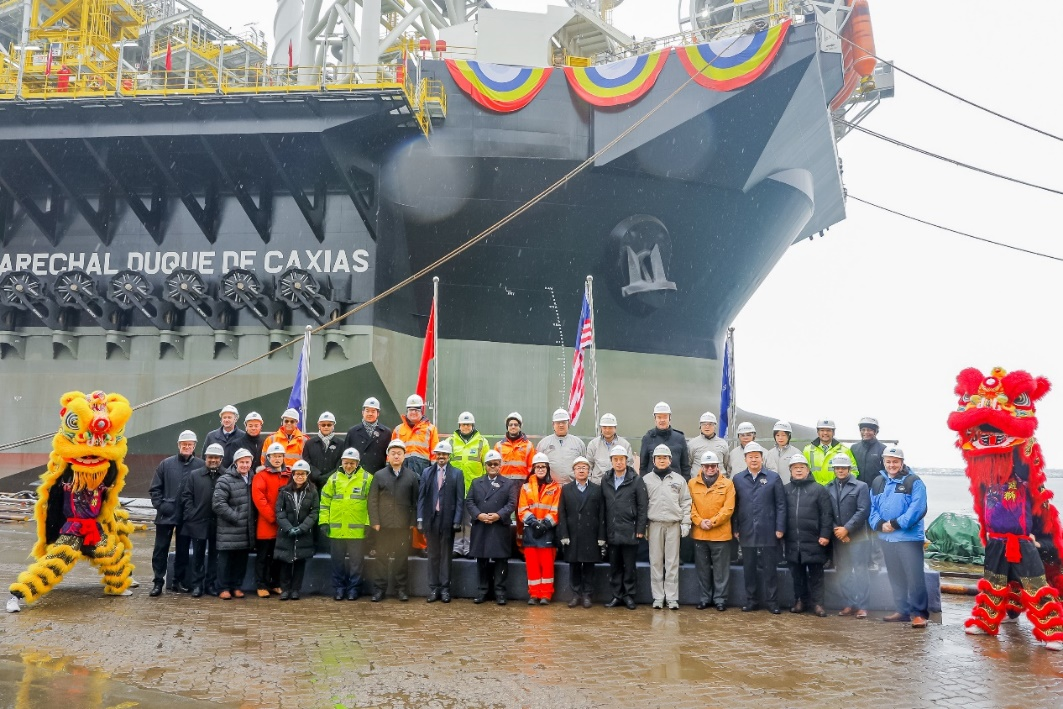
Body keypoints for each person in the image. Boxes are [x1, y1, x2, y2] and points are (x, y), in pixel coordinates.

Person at [870, 446, 930, 628]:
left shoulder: (914, 481)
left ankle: (920, 614)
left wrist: (895, 524)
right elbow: (872, 508)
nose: (891, 465)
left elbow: (918, 508)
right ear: (883, 462)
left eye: (895, 461)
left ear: (902, 462)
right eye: (888, 461)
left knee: (915, 577)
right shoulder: (878, 482)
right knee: (895, 576)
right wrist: (880, 524)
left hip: (909, 539)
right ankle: (902, 610)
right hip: (887, 538)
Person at [733, 442, 786, 613]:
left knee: (770, 568)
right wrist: (736, 527)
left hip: (768, 530)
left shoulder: (773, 478)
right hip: (747, 529)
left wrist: (780, 527)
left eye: (757, 456)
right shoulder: (738, 479)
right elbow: (735, 506)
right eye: (750, 457)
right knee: (749, 568)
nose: (754, 460)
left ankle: (772, 602)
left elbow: (781, 504)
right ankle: (751, 601)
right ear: (745, 459)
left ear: (762, 459)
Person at [148, 430, 199, 596]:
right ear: (178, 445)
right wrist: (162, 506)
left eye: (189, 444)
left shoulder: (200, 466)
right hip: (166, 514)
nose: (186, 447)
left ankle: (179, 581)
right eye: (184, 444)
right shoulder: (166, 464)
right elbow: (155, 489)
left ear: (194, 446)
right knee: (160, 549)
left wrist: (194, 511)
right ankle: (158, 582)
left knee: (183, 550)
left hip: (187, 516)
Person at [368, 439, 419, 601]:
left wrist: (412, 522)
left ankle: (401, 590)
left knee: (401, 559)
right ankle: (379, 590)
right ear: (388, 456)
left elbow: (415, 502)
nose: (396, 456)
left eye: (399, 453)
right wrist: (375, 521)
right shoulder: (379, 475)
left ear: (404, 456)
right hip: (383, 525)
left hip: (403, 526)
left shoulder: (412, 476)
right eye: (393, 453)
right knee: (381, 558)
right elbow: (372, 500)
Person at [319, 447, 372, 601]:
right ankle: (339, 589)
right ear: (342, 462)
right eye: (346, 463)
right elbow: (324, 502)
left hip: (357, 530)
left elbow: (372, 504)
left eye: (352, 463)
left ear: (358, 463)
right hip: (336, 530)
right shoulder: (333, 479)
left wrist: (368, 523)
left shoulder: (367, 479)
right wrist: (324, 522)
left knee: (356, 563)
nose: (349, 466)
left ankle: (354, 589)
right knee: (337, 562)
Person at [783, 454, 833, 617]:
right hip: (792, 540)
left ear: (808, 470)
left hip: (814, 540)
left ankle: (818, 604)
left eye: (802, 467)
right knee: (797, 574)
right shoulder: (785, 490)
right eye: (795, 467)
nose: (798, 470)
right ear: (790, 470)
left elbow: (827, 514)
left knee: (816, 574)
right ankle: (800, 601)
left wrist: (825, 534)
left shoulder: (819, 489)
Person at [467, 449, 519, 604]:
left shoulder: (508, 483)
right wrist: (478, 515)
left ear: (500, 465)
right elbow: (469, 501)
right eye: (489, 464)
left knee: (501, 560)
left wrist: (498, 515)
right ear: (485, 465)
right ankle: (482, 591)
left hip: (499, 526)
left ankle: (500, 592)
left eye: (495, 464)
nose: (492, 467)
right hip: (481, 525)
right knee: (481, 560)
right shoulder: (476, 482)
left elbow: (512, 503)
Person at [643, 444, 692, 610]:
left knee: (672, 563)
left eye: (665, 457)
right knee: (655, 562)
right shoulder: (646, 480)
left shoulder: (679, 480)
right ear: (654, 460)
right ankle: (658, 597)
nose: (662, 460)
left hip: (673, 525)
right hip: (654, 524)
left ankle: (671, 598)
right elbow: (642, 504)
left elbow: (686, 502)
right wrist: (644, 526)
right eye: (658, 458)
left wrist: (685, 523)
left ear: (670, 460)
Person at [417, 441, 465, 603]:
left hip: (447, 521)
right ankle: (433, 588)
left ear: (449, 456)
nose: (441, 457)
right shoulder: (427, 472)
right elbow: (421, 497)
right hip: (431, 520)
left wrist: (457, 520)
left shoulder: (457, 474)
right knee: (432, 555)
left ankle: (445, 589)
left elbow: (460, 500)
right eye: (439, 454)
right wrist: (420, 519)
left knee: (446, 556)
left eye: (444, 454)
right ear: (435, 455)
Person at [601, 445, 648, 610]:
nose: (619, 462)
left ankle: (629, 596)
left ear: (626, 461)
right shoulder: (606, 480)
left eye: (621, 459)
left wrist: (640, 529)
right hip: (612, 531)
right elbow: (603, 506)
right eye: (615, 459)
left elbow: (642, 506)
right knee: (614, 566)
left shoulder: (636, 480)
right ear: (611, 461)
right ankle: (616, 595)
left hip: (630, 530)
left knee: (629, 567)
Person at [826, 452, 872, 618]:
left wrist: (847, 529)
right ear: (834, 469)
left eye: (843, 468)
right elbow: (826, 513)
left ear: (849, 469)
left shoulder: (861, 486)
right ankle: (849, 603)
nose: (840, 470)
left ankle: (862, 606)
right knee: (843, 571)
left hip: (857, 537)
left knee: (860, 571)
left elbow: (863, 510)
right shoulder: (828, 488)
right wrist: (837, 531)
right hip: (839, 538)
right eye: (837, 468)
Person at [689, 450, 735, 611]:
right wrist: (699, 521)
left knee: (721, 570)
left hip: (720, 535)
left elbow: (728, 508)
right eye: (707, 466)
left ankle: (720, 599)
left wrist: (713, 522)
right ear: (701, 467)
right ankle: (704, 598)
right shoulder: (692, 484)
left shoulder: (728, 484)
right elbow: (689, 505)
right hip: (699, 534)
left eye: (713, 466)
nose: (710, 469)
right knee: (702, 570)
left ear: (718, 466)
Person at [558, 456, 606, 608]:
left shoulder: (597, 490)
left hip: (591, 534)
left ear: (589, 471)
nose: (581, 470)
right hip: (573, 535)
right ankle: (575, 595)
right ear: (573, 471)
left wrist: (601, 536)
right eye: (578, 468)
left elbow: (602, 514)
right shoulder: (566, 489)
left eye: (584, 468)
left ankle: (587, 595)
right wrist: (564, 534)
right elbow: (562, 513)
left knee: (589, 566)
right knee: (574, 566)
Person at [212, 448, 257, 599]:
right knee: (225, 561)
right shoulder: (225, 480)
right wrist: (236, 517)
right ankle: (223, 588)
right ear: (235, 463)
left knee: (241, 560)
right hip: (229, 529)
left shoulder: (253, 479)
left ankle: (236, 586)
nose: (245, 465)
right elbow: (218, 504)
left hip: (246, 530)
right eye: (241, 462)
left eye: (247, 462)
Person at [181, 442, 225, 597]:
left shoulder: (226, 476)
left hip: (218, 523)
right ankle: (197, 585)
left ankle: (210, 584)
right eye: (210, 457)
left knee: (214, 555)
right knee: (198, 555)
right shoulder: (195, 475)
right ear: (205, 458)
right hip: (198, 522)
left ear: (221, 459)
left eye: (216, 457)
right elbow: (187, 496)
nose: (213, 460)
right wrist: (191, 514)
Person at [519, 452, 562, 604]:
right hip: (531, 530)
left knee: (547, 565)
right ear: (533, 468)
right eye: (538, 467)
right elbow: (522, 509)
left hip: (548, 531)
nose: (541, 469)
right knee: (532, 565)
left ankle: (546, 595)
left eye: (543, 466)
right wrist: (534, 523)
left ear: (548, 468)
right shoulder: (525, 487)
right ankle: (534, 594)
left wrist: (544, 525)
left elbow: (556, 510)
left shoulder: (555, 487)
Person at [274, 460, 320, 601]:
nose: (300, 477)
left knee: (300, 563)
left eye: (303, 474)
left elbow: (314, 512)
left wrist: (302, 528)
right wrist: (288, 528)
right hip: (286, 533)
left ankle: (295, 590)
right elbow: (279, 511)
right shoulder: (284, 491)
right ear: (292, 475)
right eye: (297, 474)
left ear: (307, 475)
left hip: (303, 534)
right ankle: (285, 590)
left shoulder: (312, 491)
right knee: (285, 563)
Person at [252, 442, 291, 597]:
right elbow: (259, 498)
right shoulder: (261, 476)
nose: (277, 459)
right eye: (274, 456)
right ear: (268, 458)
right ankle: (261, 584)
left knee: (278, 557)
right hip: (267, 524)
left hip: (283, 525)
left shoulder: (289, 475)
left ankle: (275, 583)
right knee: (264, 557)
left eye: (280, 456)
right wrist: (273, 517)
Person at [447, 411, 488, 556]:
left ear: (473, 425)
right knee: (457, 518)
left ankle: (469, 548)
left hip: (474, 487)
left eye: (468, 424)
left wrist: (485, 486)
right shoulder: (450, 441)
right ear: (459, 425)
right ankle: (457, 548)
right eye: (463, 424)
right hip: (455, 487)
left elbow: (487, 465)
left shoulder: (482, 442)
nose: (466, 427)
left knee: (471, 520)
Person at [850, 416, 886, 571]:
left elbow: (886, 473)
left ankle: (876, 560)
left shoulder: (882, 449)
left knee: (875, 527)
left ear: (876, 431)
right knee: (858, 527)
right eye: (863, 429)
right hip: (857, 494)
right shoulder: (854, 448)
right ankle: (860, 559)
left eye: (870, 430)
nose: (866, 432)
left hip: (876, 494)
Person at [639, 402, 690, 479]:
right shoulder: (647, 438)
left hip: (675, 483)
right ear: (655, 419)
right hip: (653, 484)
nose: (662, 420)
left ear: (670, 418)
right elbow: (643, 467)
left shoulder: (680, 438)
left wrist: (684, 483)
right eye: (659, 417)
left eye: (665, 417)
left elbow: (685, 466)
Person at [391, 394, 439, 475]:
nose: (413, 412)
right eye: (411, 409)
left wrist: (434, 471)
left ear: (421, 411)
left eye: (416, 409)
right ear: (407, 411)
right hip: (402, 468)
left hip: (424, 469)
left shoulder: (431, 429)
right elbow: (391, 451)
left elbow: (435, 452)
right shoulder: (398, 429)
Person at [537, 408, 586, 486]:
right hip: (550, 487)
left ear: (568, 424)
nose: (561, 425)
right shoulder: (543, 443)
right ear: (553, 424)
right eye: (558, 423)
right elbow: (537, 466)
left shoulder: (578, 443)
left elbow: (584, 465)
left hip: (573, 486)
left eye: (563, 422)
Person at [803, 419, 859, 485]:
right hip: (814, 488)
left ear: (833, 432)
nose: (825, 433)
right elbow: (802, 470)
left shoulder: (844, 450)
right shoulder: (807, 450)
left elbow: (854, 471)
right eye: (822, 430)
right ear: (818, 432)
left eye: (828, 430)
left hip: (836, 489)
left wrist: (842, 485)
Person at [345, 397, 392, 476]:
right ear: (362, 412)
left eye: (373, 411)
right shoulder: (353, 432)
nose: (370, 414)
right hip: (357, 475)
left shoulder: (386, 432)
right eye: (367, 411)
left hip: (378, 475)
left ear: (378, 413)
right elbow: (345, 455)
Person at [302, 411, 346, 491]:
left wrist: (327, 477)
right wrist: (317, 476)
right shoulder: (309, 443)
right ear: (319, 426)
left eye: (329, 425)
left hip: (334, 484)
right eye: (323, 425)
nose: (326, 427)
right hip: (313, 485)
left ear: (333, 426)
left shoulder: (341, 444)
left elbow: (341, 463)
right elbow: (306, 462)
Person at [586, 413, 635, 483]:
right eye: (604, 427)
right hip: (598, 485)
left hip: (618, 486)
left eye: (610, 427)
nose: (607, 430)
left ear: (615, 428)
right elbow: (588, 466)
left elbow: (630, 467)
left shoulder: (625, 445)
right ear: (601, 428)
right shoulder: (593, 444)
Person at [495, 411, 536, 486]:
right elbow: (494, 467)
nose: (513, 427)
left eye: (516, 424)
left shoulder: (529, 445)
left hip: (522, 486)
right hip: (503, 485)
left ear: (520, 426)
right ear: (507, 427)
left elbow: (532, 468)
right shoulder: (498, 446)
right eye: (510, 424)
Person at [687, 412, 730, 478]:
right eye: (704, 424)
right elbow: (688, 464)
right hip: (698, 482)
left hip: (719, 482)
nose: (707, 427)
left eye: (710, 424)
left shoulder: (723, 444)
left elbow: (726, 464)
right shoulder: (692, 444)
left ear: (715, 426)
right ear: (700, 426)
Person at [203, 404, 244, 470]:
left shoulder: (243, 436)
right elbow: (204, 458)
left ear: (236, 419)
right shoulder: (211, 436)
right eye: (224, 417)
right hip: (215, 473)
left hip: (235, 474)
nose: (226, 420)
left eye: (229, 417)